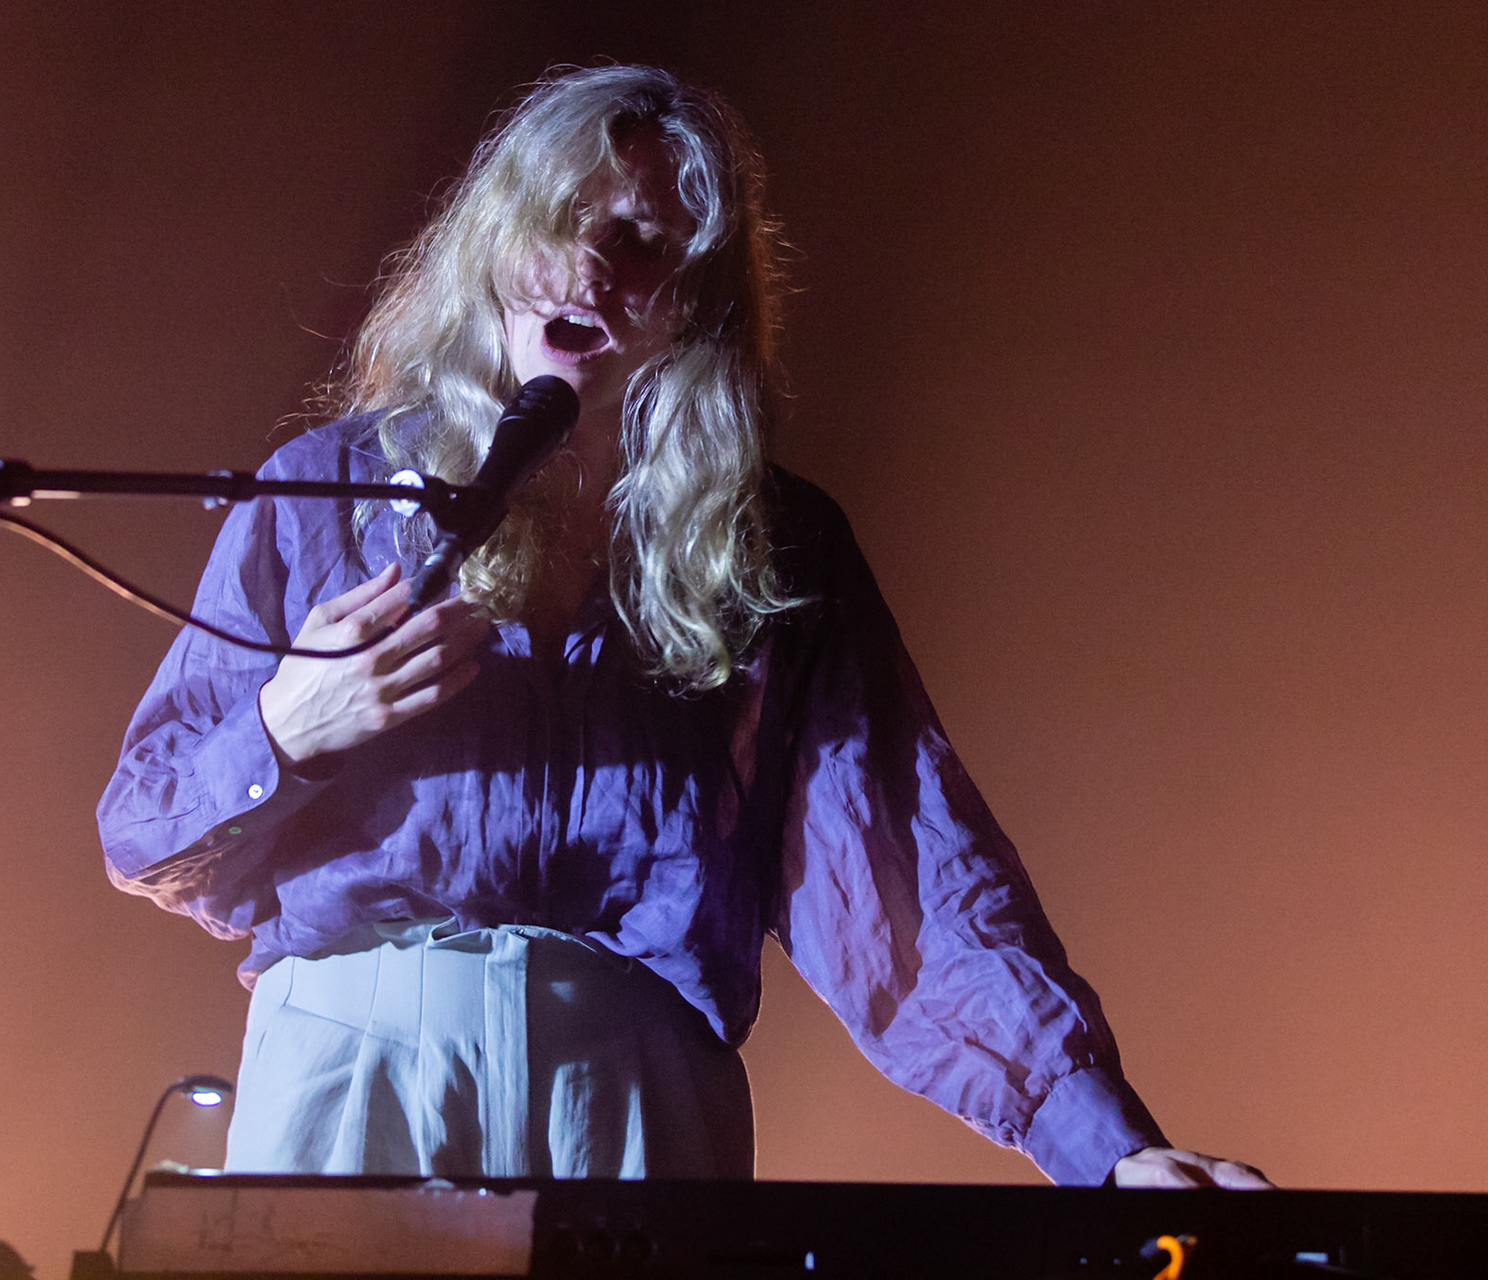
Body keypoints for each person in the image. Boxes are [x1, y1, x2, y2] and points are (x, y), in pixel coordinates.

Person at [97, 64, 1267, 1189]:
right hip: (356, 1076)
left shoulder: (773, 546)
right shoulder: (331, 493)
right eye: (559, 221)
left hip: (633, 1097)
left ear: (695, 305)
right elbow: (144, 835)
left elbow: (906, 883)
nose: (588, 266)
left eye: (642, 243)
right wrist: (284, 729)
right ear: (492, 238)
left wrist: (1104, 1143)